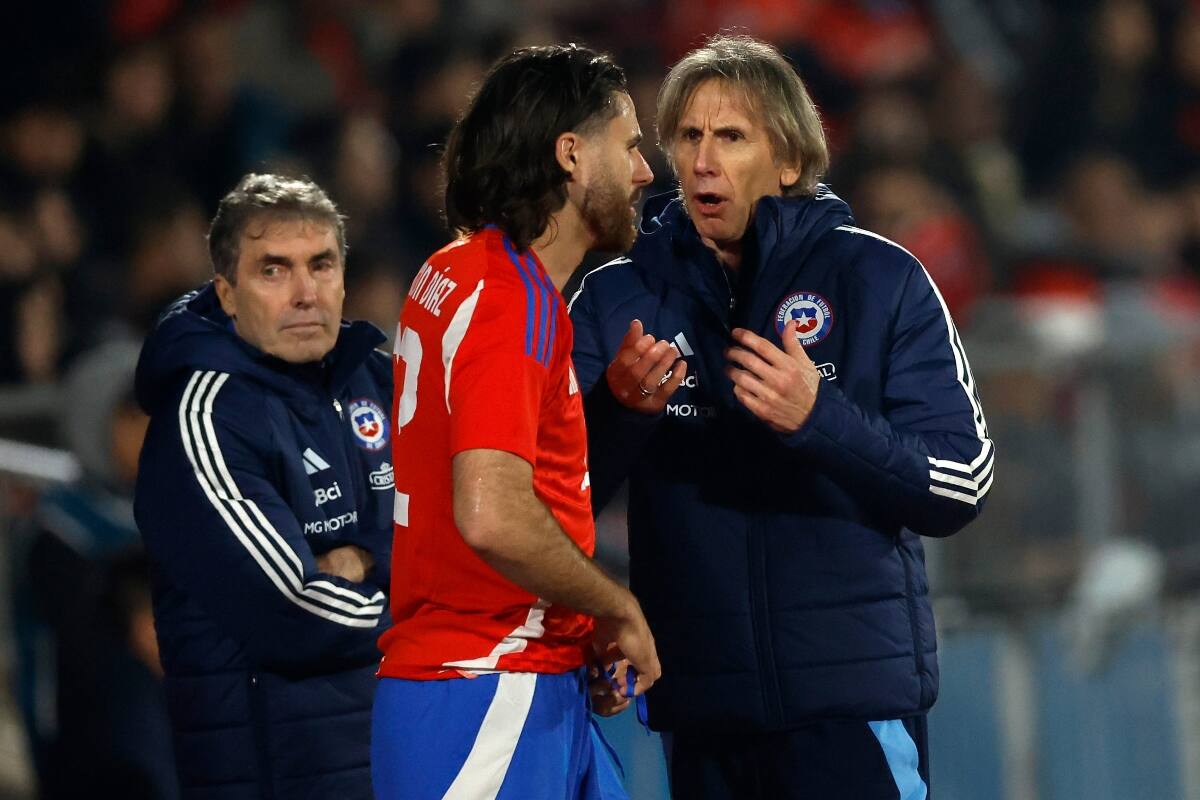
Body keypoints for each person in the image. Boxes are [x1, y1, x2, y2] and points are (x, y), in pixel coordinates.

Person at [569, 35, 994, 799]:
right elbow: (551, 499)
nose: (703, 160)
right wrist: (620, 415)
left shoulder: (880, 278)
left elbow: (959, 483)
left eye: (731, 137)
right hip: (704, 716)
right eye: (688, 137)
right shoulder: (615, 299)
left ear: (790, 160)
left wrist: (819, 418)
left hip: (851, 708)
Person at [372, 44, 666, 799]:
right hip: (486, 688)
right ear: (571, 155)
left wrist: (576, 622)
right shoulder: (511, 297)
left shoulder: (453, 271)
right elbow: (492, 512)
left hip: (512, 679)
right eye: (630, 145)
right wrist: (615, 602)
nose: (645, 172)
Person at [133, 174, 393, 800]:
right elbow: (296, 609)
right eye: (273, 271)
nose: (306, 293)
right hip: (275, 773)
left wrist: (364, 558)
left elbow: (460, 525)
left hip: (392, 756)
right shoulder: (204, 419)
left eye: (321, 265)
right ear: (226, 293)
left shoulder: (379, 378)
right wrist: (437, 609)